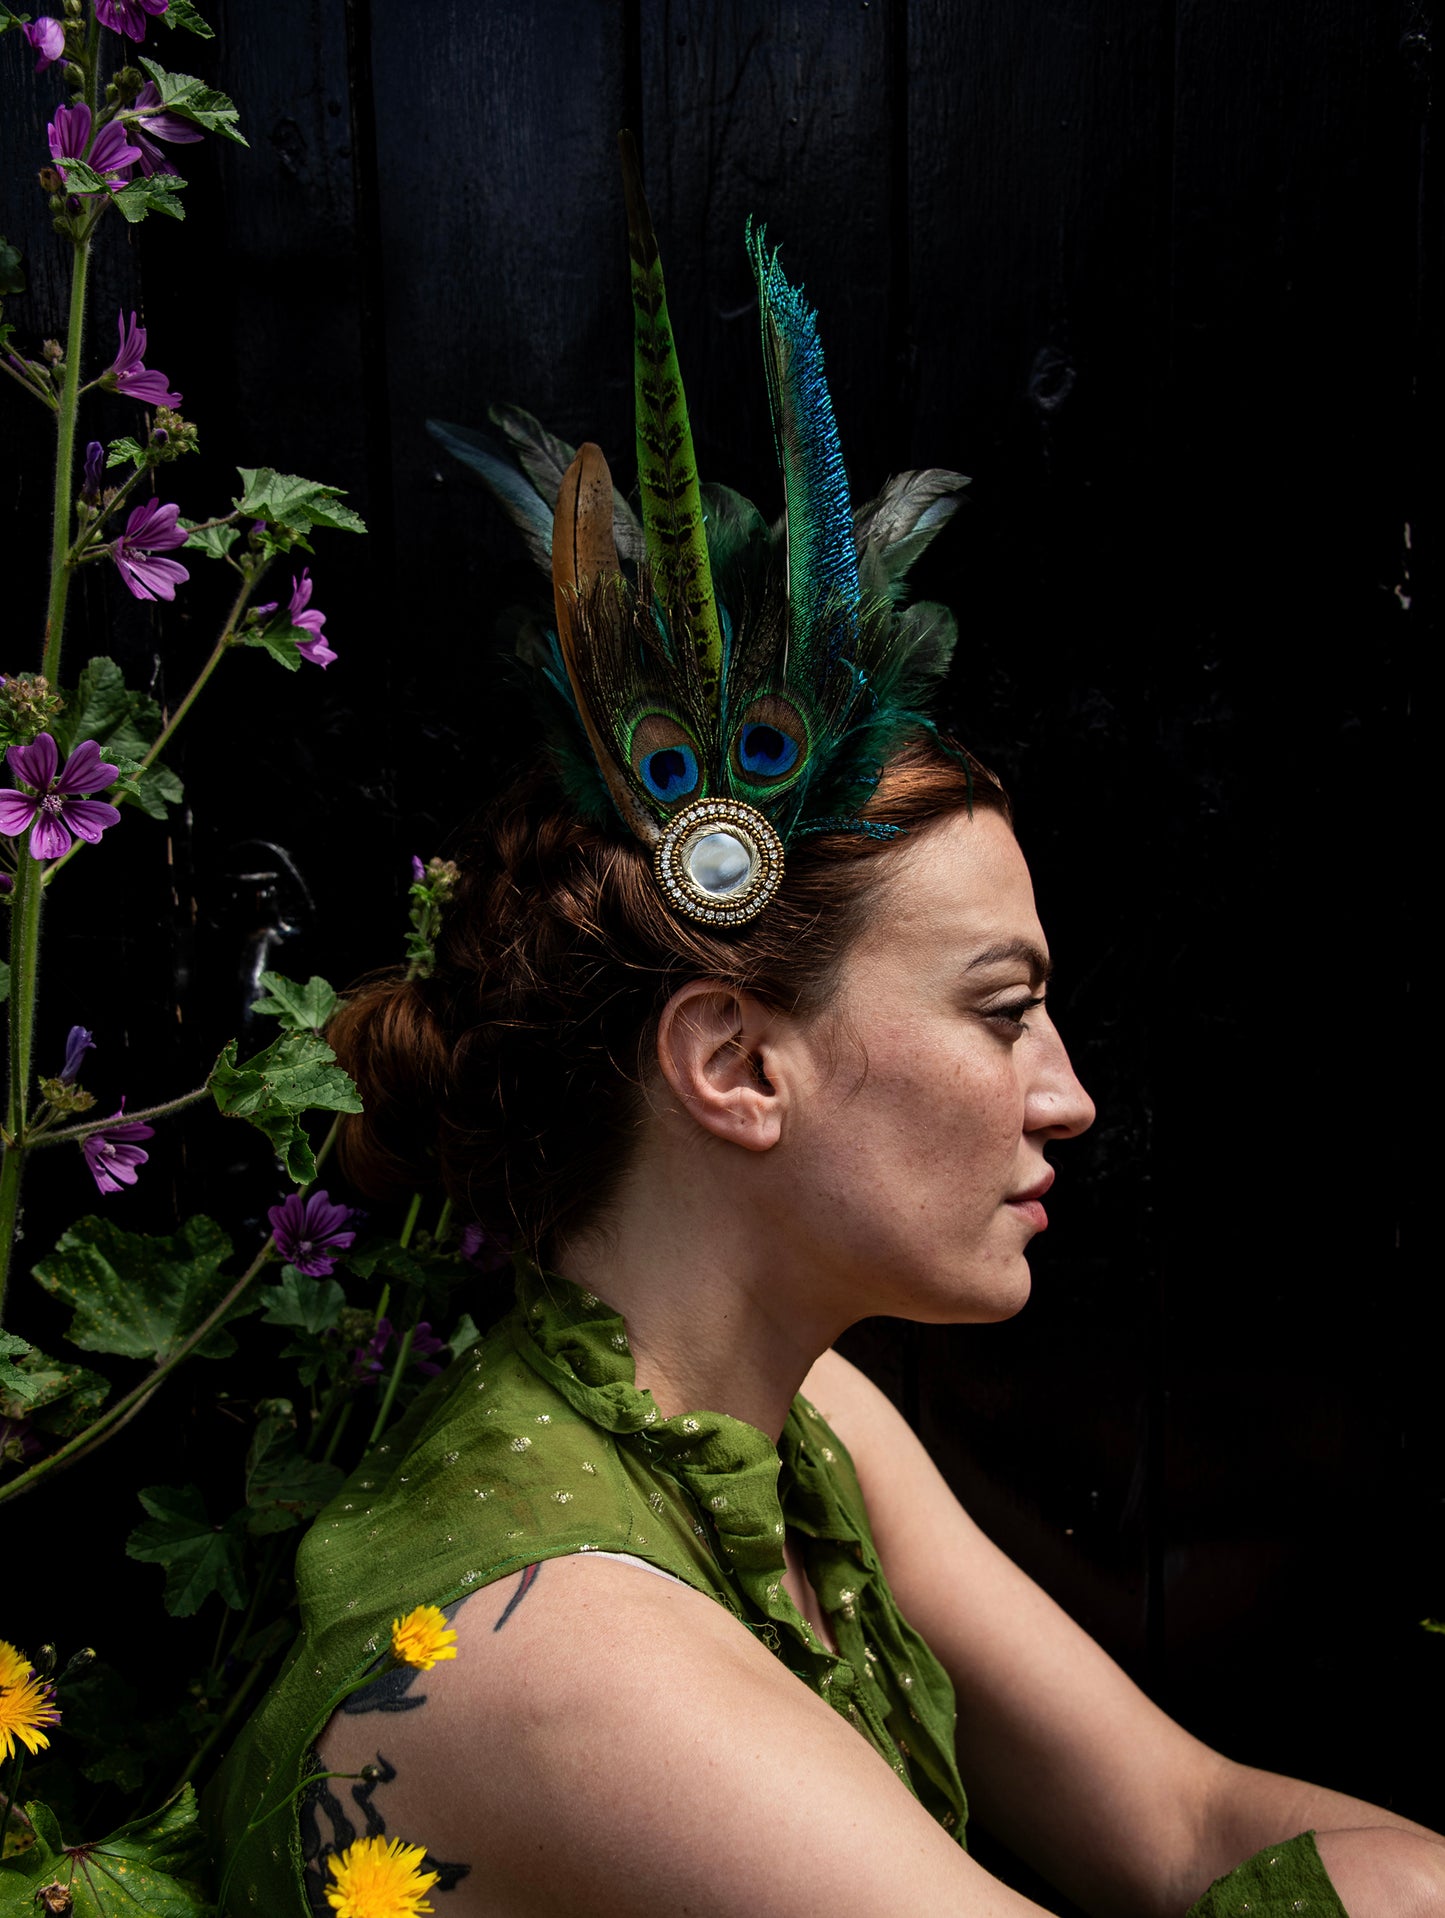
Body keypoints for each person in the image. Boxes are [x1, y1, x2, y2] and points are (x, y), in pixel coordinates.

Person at [207, 149, 1445, 1918]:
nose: (1067, 1096)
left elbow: (1181, 1819)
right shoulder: (568, 1653)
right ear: (734, 1064)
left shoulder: (802, 1423)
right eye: (1001, 1012)